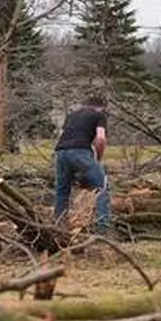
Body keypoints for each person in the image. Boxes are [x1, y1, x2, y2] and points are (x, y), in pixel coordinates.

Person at [53, 95, 110, 234]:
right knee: (101, 187)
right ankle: (102, 229)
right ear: (102, 107)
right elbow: (101, 138)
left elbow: (62, 134)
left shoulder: (71, 115)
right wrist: (98, 159)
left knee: (62, 191)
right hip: (80, 152)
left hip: (60, 152)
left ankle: (58, 226)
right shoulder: (99, 115)